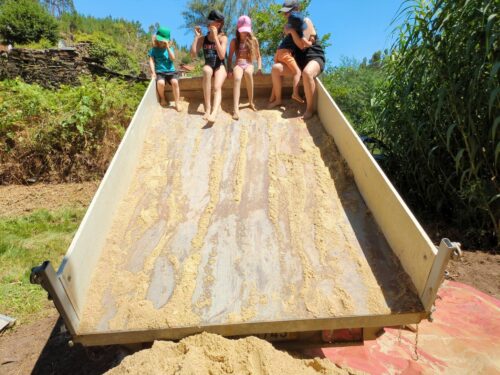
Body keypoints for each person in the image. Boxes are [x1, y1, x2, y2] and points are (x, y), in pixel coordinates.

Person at [270, 0, 326, 120]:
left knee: (307, 72)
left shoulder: (305, 21)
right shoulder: (292, 27)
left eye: (287, 12)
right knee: (276, 68)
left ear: (296, 10)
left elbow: (303, 45)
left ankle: (310, 109)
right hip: (300, 63)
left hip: (314, 57)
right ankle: (278, 99)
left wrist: (291, 31)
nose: (285, 15)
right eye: (284, 13)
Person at [191, 10, 228, 123]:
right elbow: (193, 54)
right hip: (209, 65)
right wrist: (197, 37)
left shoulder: (223, 38)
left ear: (218, 24)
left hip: (220, 66)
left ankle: (214, 112)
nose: (207, 25)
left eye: (210, 23)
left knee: (217, 87)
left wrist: (216, 37)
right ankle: (207, 108)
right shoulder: (203, 39)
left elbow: (221, 56)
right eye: (207, 22)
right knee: (206, 70)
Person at [268, 11, 308, 108]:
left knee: (278, 75)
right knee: (297, 72)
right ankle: (295, 93)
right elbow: (303, 45)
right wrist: (310, 43)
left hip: (279, 53)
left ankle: (272, 98)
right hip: (285, 53)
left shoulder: (289, 30)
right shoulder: (297, 32)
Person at [227, 15, 263, 120]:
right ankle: (235, 109)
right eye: (242, 31)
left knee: (248, 73)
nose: (244, 33)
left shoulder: (253, 40)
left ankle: (251, 101)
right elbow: (229, 58)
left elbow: (258, 57)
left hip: (249, 63)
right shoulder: (234, 41)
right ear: (238, 30)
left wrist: (259, 69)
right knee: (237, 78)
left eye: (246, 31)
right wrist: (229, 69)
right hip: (238, 63)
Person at [148, 27, 180, 111]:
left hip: (171, 71)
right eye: (160, 40)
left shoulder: (170, 49)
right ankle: (162, 98)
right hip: (160, 72)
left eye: (163, 40)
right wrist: (153, 72)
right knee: (160, 83)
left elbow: (173, 58)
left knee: (175, 82)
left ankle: (177, 102)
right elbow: (151, 61)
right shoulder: (153, 50)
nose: (161, 42)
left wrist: (168, 48)